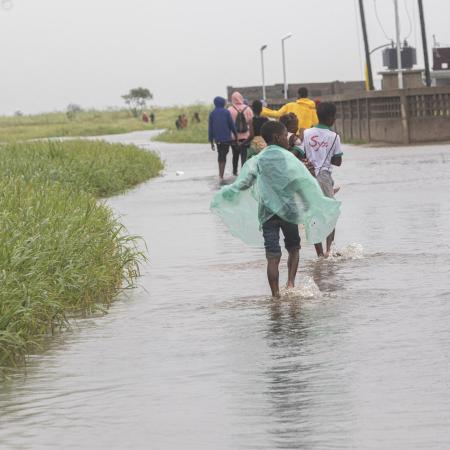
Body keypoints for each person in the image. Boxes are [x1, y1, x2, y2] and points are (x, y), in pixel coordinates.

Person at [211, 121, 340, 297]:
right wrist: (311, 202)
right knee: (293, 249)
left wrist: (226, 193)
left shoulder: (258, 160)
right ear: (277, 137)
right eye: (285, 135)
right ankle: (290, 284)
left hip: (267, 214)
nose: (288, 138)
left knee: (272, 257)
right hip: (289, 212)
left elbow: (244, 183)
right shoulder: (289, 158)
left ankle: (276, 296)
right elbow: (300, 182)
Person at [303, 102, 343, 258]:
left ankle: (319, 253)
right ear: (332, 118)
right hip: (325, 177)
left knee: (313, 215)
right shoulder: (334, 137)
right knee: (330, 213)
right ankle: (329, 251)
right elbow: (338, 161)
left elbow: (302, 154)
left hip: (308, 177)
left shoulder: (306, 133)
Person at [208, 96, 237, 180]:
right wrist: (236, 135)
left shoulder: (212, 113)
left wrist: (211, 142)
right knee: (224, 155)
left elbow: (210, 129)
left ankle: (220, 174)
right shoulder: (226, 112)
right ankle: (221, 175)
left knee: (220, 155)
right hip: (226, 139)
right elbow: (231, 124)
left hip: (217, 139)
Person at [228, 91, 254, 175]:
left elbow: (228, 124)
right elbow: (251, 122)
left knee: (235, 156)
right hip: (246, 137)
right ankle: (244, 173)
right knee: (244, 156)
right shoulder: (248, 109)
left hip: (233, 137)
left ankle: (235, 172)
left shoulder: (229, 109)